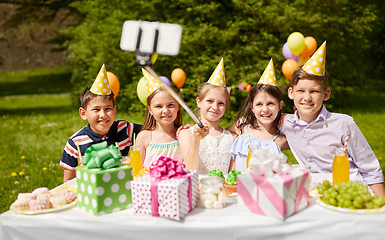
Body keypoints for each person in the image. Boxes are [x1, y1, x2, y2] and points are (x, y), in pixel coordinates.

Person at [281, 41, 385, 196]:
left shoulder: (344, 124)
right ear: (291, 93)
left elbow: (370, 168)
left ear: (326, 94)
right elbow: (252, 124)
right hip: (316, 194)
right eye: (301, 91)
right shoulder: (285, 123)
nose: (307, 98)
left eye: (314, 91)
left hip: (350, 190)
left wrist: (381, 207)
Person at [60, 65, 141, 182]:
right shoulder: (75, 144)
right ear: (83, 113)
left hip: (123, 187)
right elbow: (68, 182)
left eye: (108, 109)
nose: (103, 115)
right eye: (96, 110)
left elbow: (151, 132)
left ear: (115, 110)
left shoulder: (126, 129)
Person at [227, 59, 288, 172]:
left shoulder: (281, 139)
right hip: (238, 187)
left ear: (280, 106)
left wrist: (288, 117)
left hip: (267, 188)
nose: (265, 109)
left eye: (270, 103)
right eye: (259, 104)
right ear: (252, 107)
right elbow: (220, 134)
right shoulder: (243, 126)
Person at [179, 58, 235, 174]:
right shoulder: (186, 133)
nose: (215, 107)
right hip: (197, 190)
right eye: (210, 101)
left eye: (221, 103)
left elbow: (232, 174)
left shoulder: (232, 137)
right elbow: (190, 170)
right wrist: (195, 139)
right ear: (199, 102)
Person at [135, 68, 183, 167]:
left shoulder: (183, 135)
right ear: (150, 110)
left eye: (170, 105)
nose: (165, 111)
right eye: (158, 106)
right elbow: (136, 169)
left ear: (178, 106)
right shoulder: (144, 137)